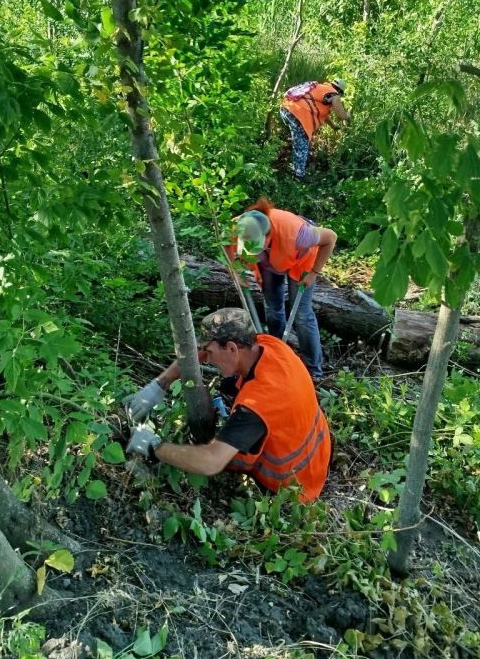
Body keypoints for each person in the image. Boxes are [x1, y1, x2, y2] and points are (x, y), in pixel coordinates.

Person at [125, 307, 332, 503]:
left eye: (211, 352)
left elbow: (211, 462)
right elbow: (204, 351)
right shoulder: (268, 345)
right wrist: (160, 384)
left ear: (232, 348)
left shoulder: (257, 405)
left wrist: (154, 447)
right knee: (228, 384)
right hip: (317, 455)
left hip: (293, 486)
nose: (208, 359)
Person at [227, 199, 336, 381]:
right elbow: (224, 243)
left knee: (301, 314)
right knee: (272, 308)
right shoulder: (237, 226)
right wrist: (235, 271)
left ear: (267, 237)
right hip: (271, 264)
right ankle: (276, 352)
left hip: (301, 261)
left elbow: (331, 237)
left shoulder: (301, 235)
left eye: (255, 247)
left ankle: (314, 370)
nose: (249, 253)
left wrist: (313, 273)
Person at [279, 78, 351, 178]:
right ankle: (299, 175)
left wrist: (333, 126)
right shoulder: (334, 95)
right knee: (302, 144)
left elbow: (324, 114)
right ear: (340, 91)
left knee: (298, 141)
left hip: (285, 108)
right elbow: (341, 116)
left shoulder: (320, 87)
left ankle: (295, 167)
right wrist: (348, 116)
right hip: (298, 114)